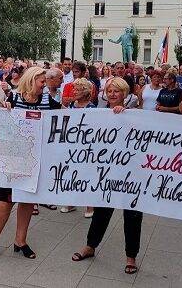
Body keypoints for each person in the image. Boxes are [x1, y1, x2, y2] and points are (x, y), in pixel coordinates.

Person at [0, 66, 62, 263]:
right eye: (42, 81)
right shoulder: (14, 99)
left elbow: (64, 118)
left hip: (34, 161)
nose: (45, 85)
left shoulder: (47, 101)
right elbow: (1, 123)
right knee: (4, 202)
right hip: (11, 162)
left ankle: (20, 241)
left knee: (27, 200)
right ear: (30, 80)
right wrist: (4, 110)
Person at [72, 77, 144, 275]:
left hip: (131, 174)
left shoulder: (136, 115)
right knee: (102, 210)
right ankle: (90, 246)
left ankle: (131, 256)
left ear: (125, 93)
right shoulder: (99, 113)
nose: (112, 94)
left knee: (132, 215)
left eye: (117, 91)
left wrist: (124, 115)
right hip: (107, 172)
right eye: (109, 91)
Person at [59, 77, 96, 216]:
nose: (74, 91)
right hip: (71, 144)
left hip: (86, 146)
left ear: (85, 92)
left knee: (86, 174)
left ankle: (89, 206)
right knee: (70, 173)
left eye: (78, 89)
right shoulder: (71, 105)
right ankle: (70, 203)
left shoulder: (92, 108)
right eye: (74, 88)